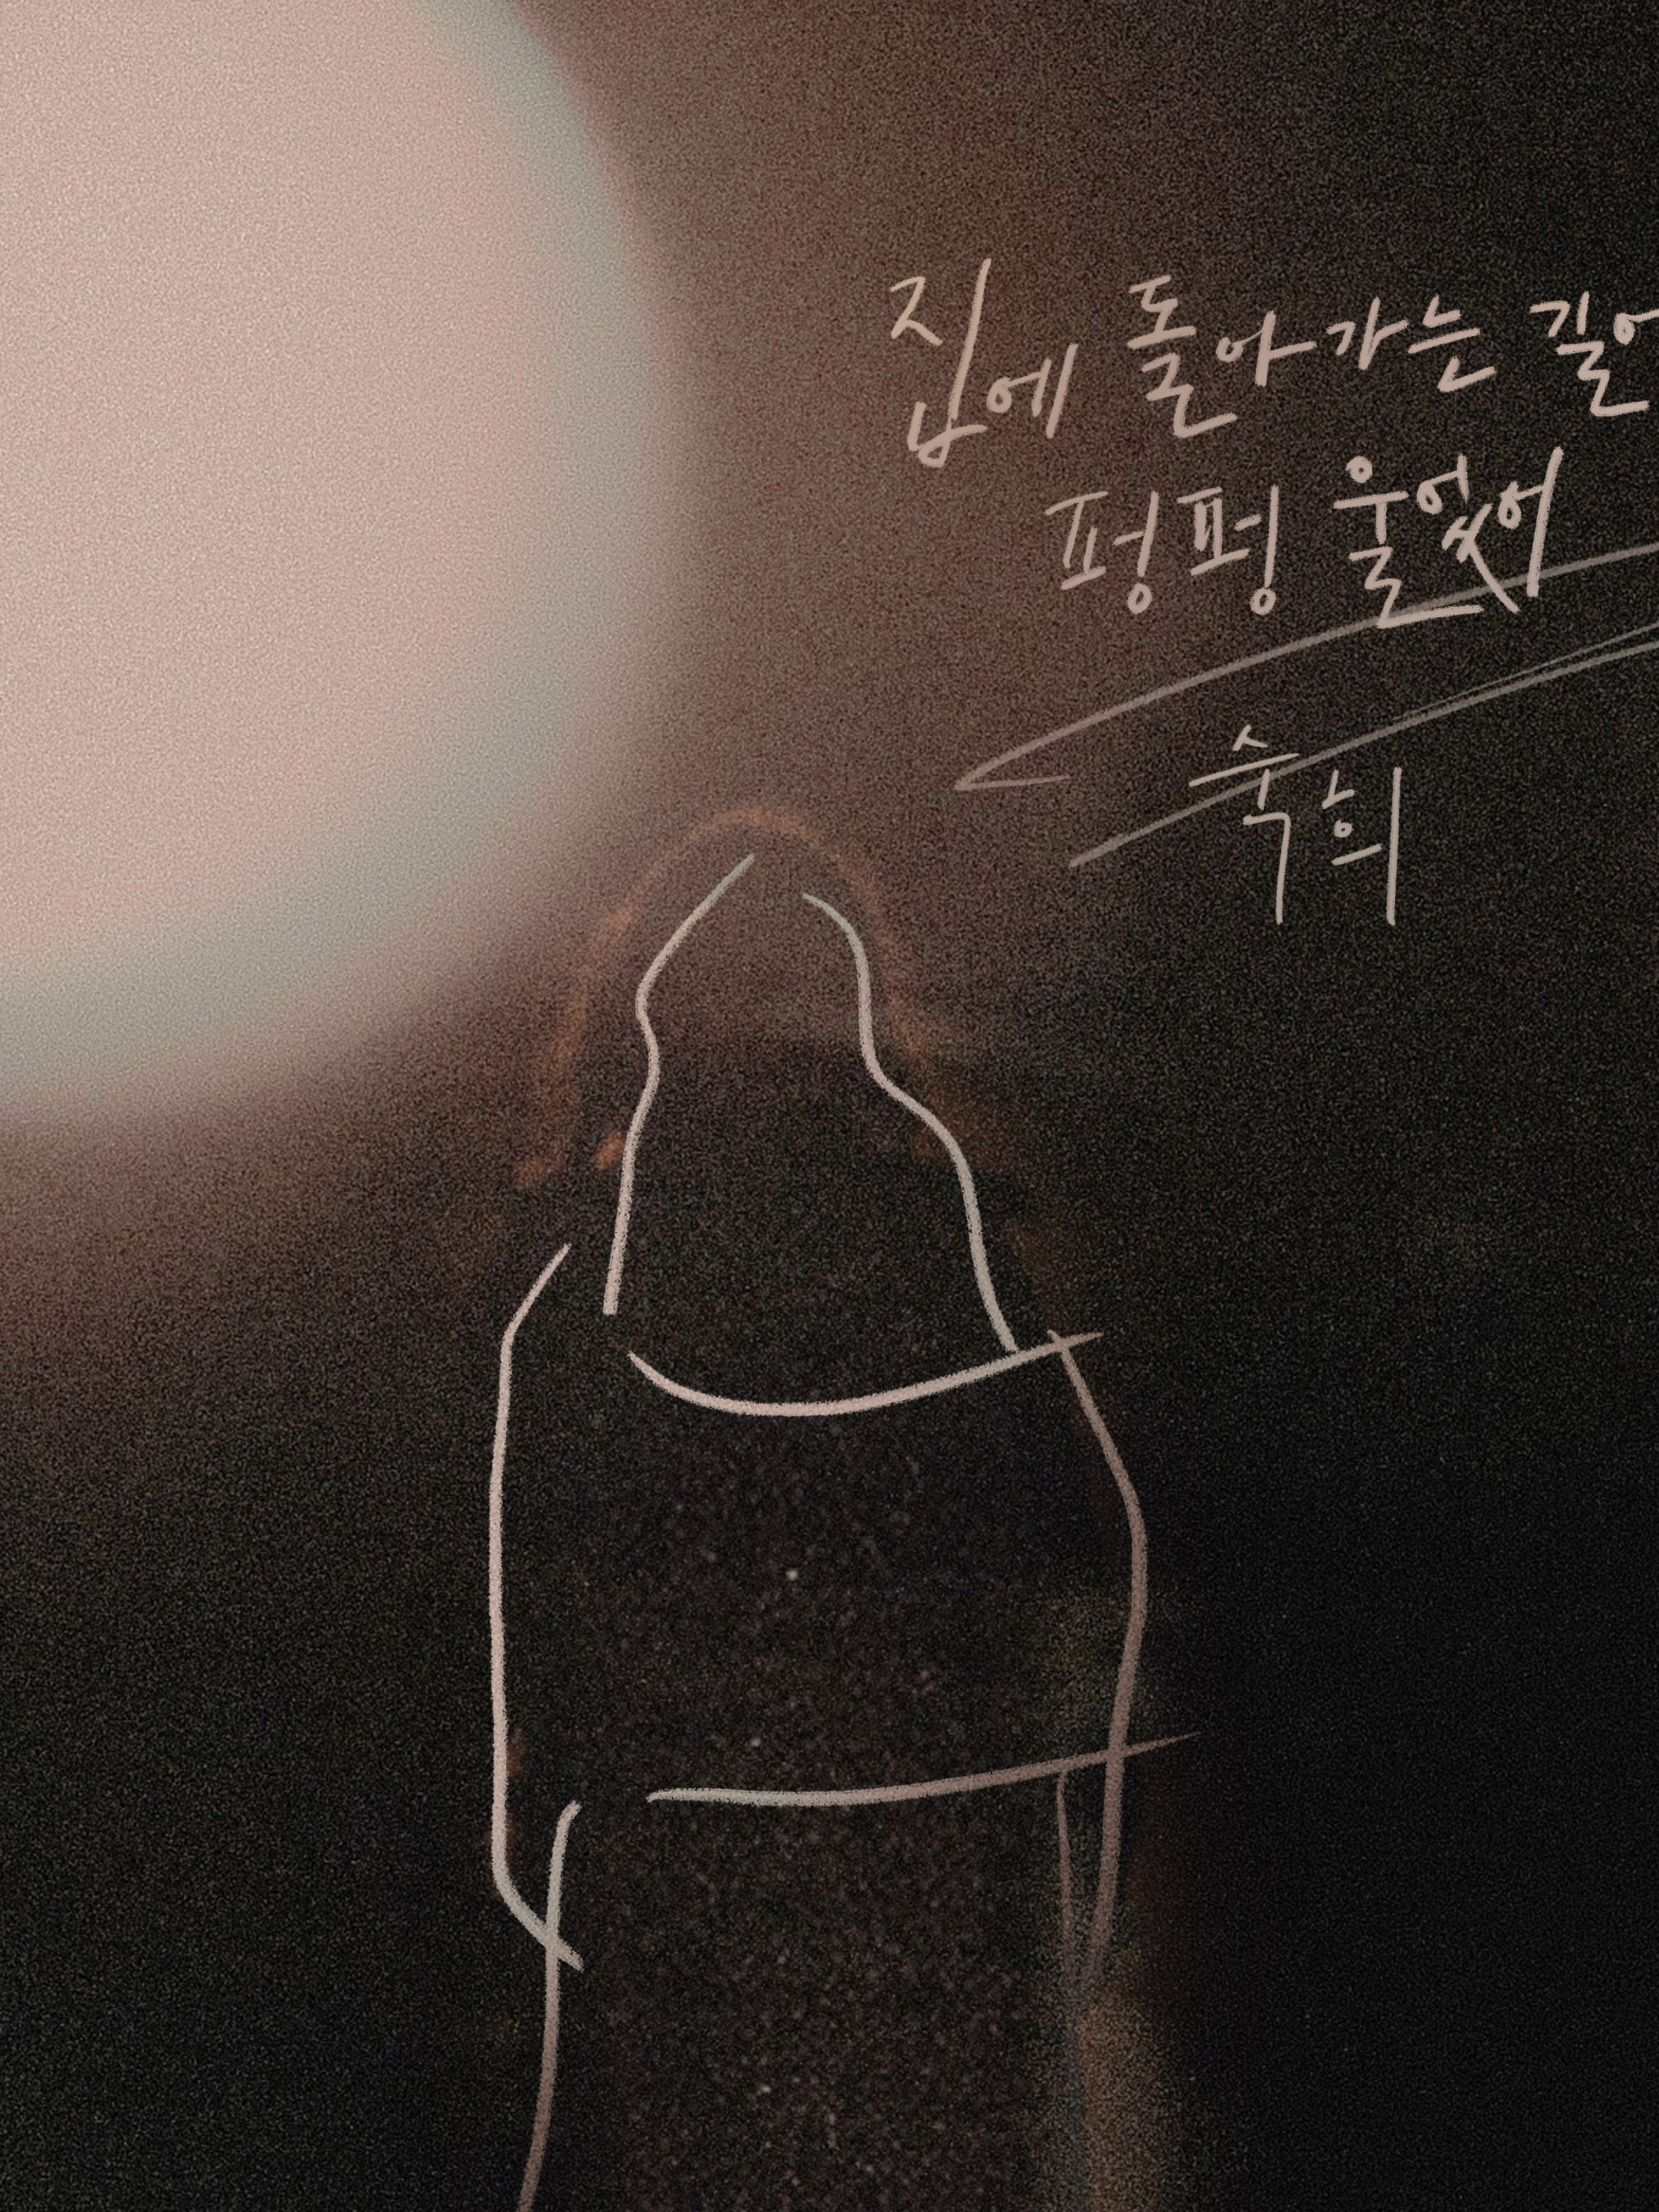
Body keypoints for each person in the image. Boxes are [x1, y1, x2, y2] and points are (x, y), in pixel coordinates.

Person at [484, 818, 1164, 2209]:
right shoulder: (942, 1244)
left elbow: (499, 1584)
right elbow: (1070, 1553)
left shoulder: (569, 1269)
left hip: (678, 1873)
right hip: (920, 1879)